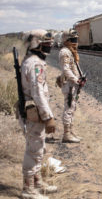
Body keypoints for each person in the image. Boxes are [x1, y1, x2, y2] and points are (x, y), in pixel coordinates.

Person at [19, 29, 57, 199]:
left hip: (32, 111)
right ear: (37, 44)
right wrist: (48, 117)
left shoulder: (30, 60)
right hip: (35, 113)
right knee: (34, 149)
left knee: (38, 148)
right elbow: (38, 92)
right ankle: (28, 189)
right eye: (46, 43)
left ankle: (37, 182)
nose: (49, 46)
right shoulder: (36, 64)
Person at [58, 29, 85, 143]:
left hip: (73, 84)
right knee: (69, 108)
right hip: (69, 84)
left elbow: (74, 68)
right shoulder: (65, 52)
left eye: (76, 39)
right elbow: (66, 69)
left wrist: (81, 77)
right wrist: (76, 80)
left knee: (72, 108)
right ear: (66, 40)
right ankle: (66, 134)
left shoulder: (70, 51)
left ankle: (70, 131)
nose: (75, 42)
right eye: (73, 40)